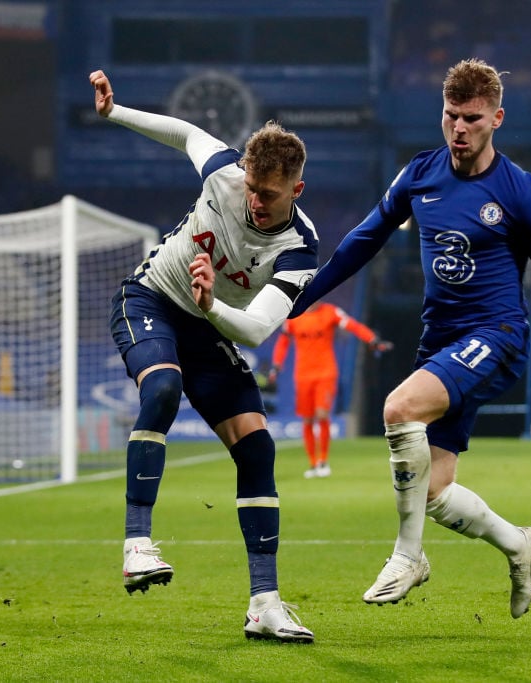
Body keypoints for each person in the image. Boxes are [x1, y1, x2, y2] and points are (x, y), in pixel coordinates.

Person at [290, 58, 531, 618]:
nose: (458, 129)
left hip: (496, 333)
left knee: (399, 408)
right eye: (450, 117)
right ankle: (519, 543)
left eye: (471, 118)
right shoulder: (419, 174)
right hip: (440, 339)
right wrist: (306, 294)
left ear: (497, 119)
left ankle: (408, 556)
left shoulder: (523, 194)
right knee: (436, 492)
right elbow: (364, 239)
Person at [91, 70, 317, 643]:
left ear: (297, 190)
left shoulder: (299, 248)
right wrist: (116, 112)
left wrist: (212, 305)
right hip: (151, 300)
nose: (255, 202)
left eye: (269, 194)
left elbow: (259, 331)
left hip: (210, 323)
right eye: (250, 187)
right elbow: (184, 132)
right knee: (162, 387)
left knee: (257, 448)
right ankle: (137, 543)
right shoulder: (225, 173)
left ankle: (265, 603)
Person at [269, 302, 393, 478]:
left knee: (322, 415)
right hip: (303, 375)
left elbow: (353, 326)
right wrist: (276, 365)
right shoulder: (293, 317)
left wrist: (372, 339)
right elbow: (283, 341)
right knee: (307, 419)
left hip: (325, 373)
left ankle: (323, 461)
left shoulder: (331, 312)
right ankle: (313, 464)